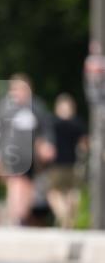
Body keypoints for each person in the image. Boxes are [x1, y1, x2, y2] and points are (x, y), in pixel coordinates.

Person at [0, 74, 55, 225]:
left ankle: (21, 216)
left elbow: (46, 129)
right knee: (16, 183)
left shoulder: (36, 107)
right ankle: (16, 217)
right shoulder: (5, 108)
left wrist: (47, 144)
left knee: (27, 185)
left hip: (30, 155)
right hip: (12, 153)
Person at [46, 93, 87, 229]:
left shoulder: (53, 122)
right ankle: (68, 218)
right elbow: (84, 144)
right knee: (71, 192)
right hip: (73, 163)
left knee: (53, 193)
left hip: (57, 164)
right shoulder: (78, 123)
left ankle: (63, 215)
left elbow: (47, 143)